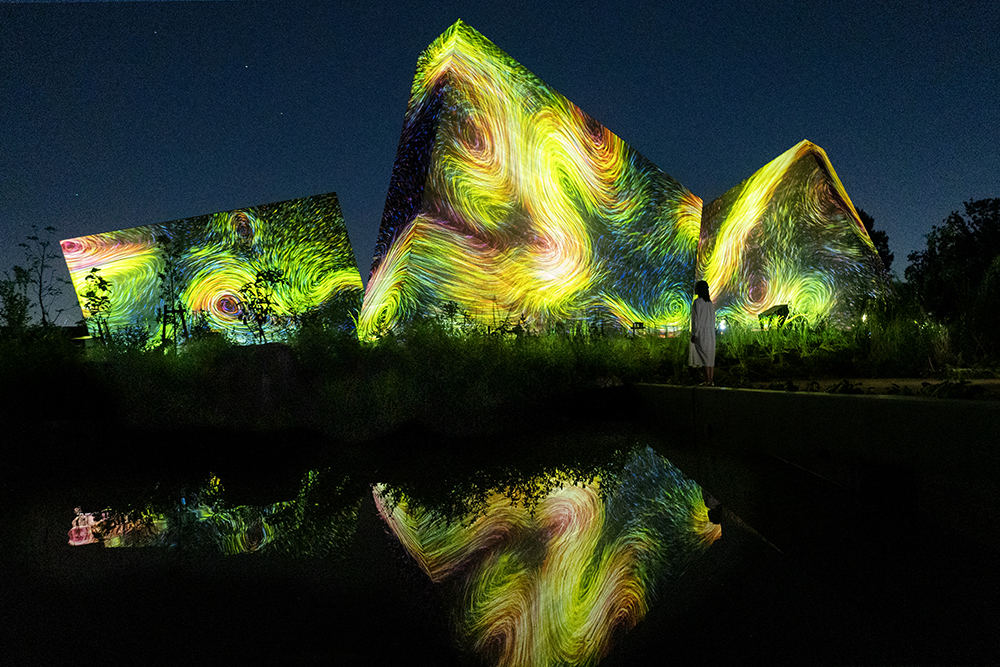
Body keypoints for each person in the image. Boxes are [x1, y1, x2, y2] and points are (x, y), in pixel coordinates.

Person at [688, 280, 716, 385]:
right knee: (710, 357)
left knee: (704, 357)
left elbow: (696, 320)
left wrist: (695, 334)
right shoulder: (710, 303)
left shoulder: (697, 302)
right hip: (710, 333)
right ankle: (711, 380)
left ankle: (707, 380)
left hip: (702, 333)